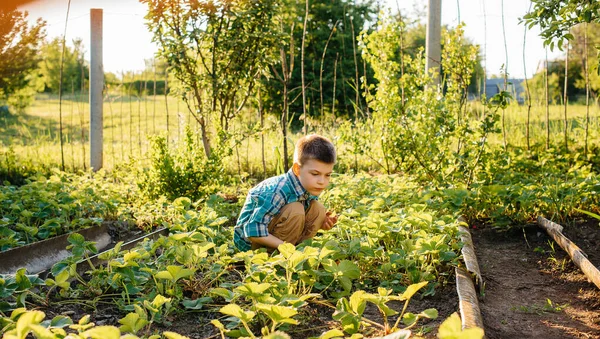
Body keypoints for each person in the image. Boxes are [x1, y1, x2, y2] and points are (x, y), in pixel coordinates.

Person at [233, 134, 338, 252]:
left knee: (318, 210)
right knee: (295, 210)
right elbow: (252, 231)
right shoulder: (278, 191)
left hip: (277, 238)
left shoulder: (309, 185)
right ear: (297, 169)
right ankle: (278, 258)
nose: (322, 181)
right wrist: (286, 248)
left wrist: (322, 223)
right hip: (251, 244)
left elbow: (307, 217)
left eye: (327, 175)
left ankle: (299, 253)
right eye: (315, 174)